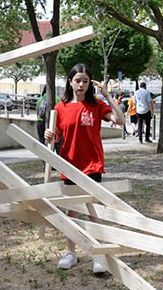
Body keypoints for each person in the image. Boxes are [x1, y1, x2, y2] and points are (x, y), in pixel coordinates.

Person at [44, 64, 125, 274]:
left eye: (85, 81)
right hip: (69, 165)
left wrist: (107, 95)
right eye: (77, 80)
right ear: (70, 82)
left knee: (92, 210)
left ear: (90, 84)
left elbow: (120, 120)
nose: (81, 84)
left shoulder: (96, 105)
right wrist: (50, 136)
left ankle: (99, 254)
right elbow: (58, 136)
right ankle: (70, 252)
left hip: (92, 165)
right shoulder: (60, 108)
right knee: (71, 211)